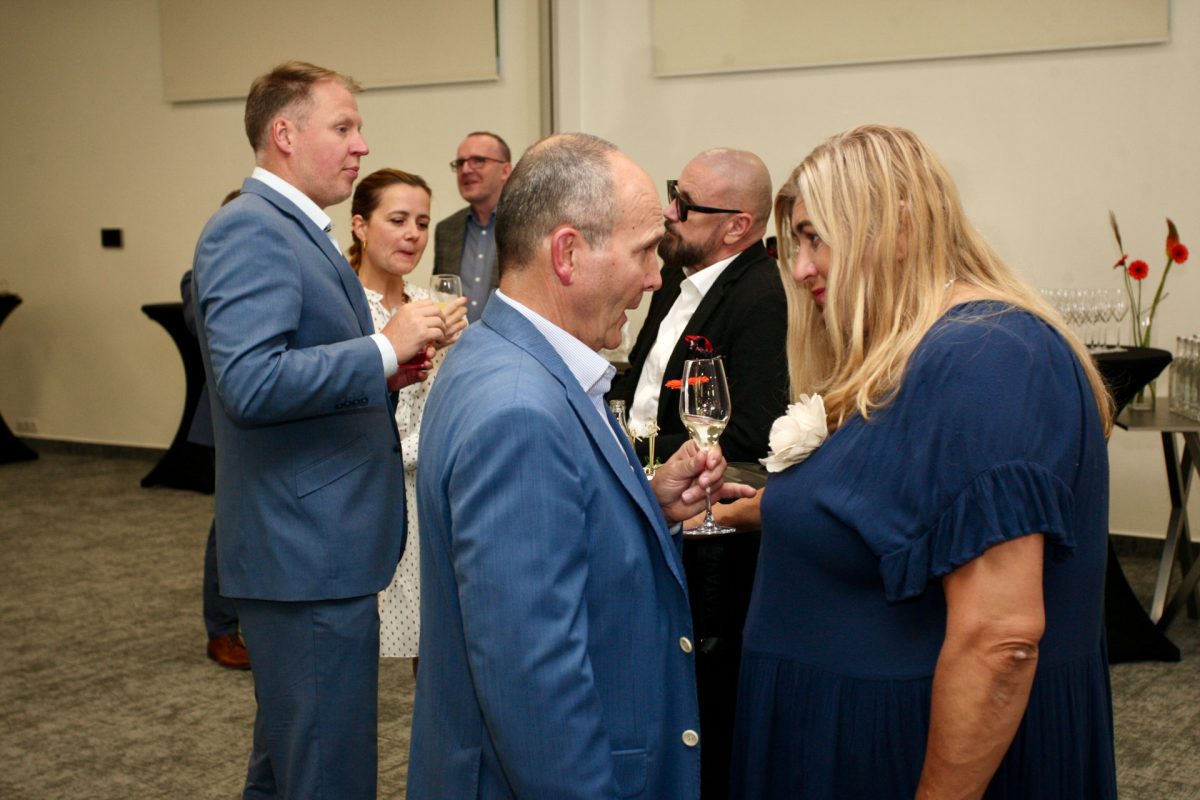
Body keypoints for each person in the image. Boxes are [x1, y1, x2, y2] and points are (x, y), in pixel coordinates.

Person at [730, 124, 1118, 799]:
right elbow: (904, 512)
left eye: (816, 238)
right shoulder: (923, 350)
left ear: (901, 228)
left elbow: (1001, 640)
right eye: (795, 245)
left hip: (908, 757)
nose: (800, 269)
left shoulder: (989, 355)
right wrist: (773, 508)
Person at [407, 133, 755, 799]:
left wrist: (646, 503)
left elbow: (548, 540)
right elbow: (533, 684)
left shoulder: (500, 354)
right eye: (644, 251)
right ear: (567, 253)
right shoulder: (520, 411)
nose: (656, 277)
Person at [191, 61, 446, 800]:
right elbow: (250, 382)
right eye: (343, 127)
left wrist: (381, 376)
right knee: (327, 774)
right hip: (304, 552)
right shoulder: (251, 228)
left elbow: (293, 369)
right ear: (284, 134)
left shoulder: (295, 230)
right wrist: (381, 349)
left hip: (315, 547)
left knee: (288, 768)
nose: (361, 145)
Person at [607, 148, 787, 799]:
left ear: (737, 226)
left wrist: (641, 455)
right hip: (652, 485)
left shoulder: (762, 295)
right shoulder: (677, 279)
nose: (669, 212)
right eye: (672, 194)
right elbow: (644, 384)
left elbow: (751, 431)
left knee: (703, 690)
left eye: (685, 204)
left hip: (708, 518)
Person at [347, 168, 467, 674]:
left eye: (421, 222)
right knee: (352, 644)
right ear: (360, 226)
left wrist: (460, 350)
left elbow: (448, 401)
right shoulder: (345, 307)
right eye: (397, 220)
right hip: (368, 491)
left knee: (436, 645)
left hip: (430, 489)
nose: (413, 235)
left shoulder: (431, 304)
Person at [181, 189, 249, 672]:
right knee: (228, 526)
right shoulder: (201, 276)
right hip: (224, 419)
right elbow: (206, 327)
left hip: (272, 420)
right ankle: (221, 629)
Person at [432, 131, 513, 322]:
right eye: (460, 163)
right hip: (458, 339)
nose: (466, 169)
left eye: (478, 161)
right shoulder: (446, 229)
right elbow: (440, 294)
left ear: (505, 171)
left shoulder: (526, 224)